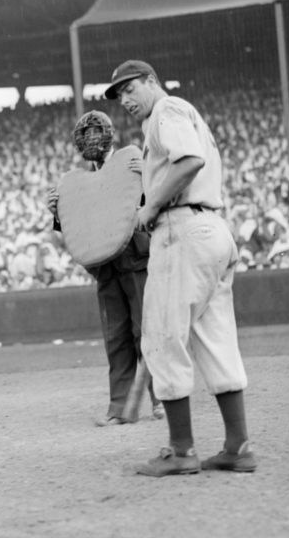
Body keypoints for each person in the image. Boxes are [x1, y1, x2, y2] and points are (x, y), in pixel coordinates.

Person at [105, 60, 256, 476]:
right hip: (212, 231)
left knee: (161, 337)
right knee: (216, 338)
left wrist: (151, 205)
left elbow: (188, 160)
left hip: (181, 230)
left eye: (131, 88)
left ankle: (181, 450)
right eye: (119, 96)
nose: (126, 100)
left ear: (152, 82)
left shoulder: (166, 110)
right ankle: (237, 447)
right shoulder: (181, 112)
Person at [47, 110, 164, 427]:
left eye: (96, 132)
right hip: (106, 268)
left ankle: (162, 399)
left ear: (108, 134)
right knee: (116, 338)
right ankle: (120, 408)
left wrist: (147, 176)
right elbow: (77, 229)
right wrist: (58, 212)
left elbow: (154, 202)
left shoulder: (131, 164)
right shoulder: (77, 182)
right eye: (85, 135)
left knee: (146, 333)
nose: (91, 139)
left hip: (138, 260)